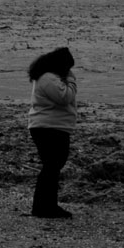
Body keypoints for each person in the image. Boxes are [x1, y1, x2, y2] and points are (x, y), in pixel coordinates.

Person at [27, 45, 76, 219]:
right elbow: (65, 98)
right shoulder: (48, 78)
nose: (69, 70)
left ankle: (45, 206)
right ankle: (45, 207)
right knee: (52, 167)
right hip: (49, 127)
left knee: (52, 167)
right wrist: (71, 80)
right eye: (68, 67)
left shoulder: (46, 77)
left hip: (51, 126)